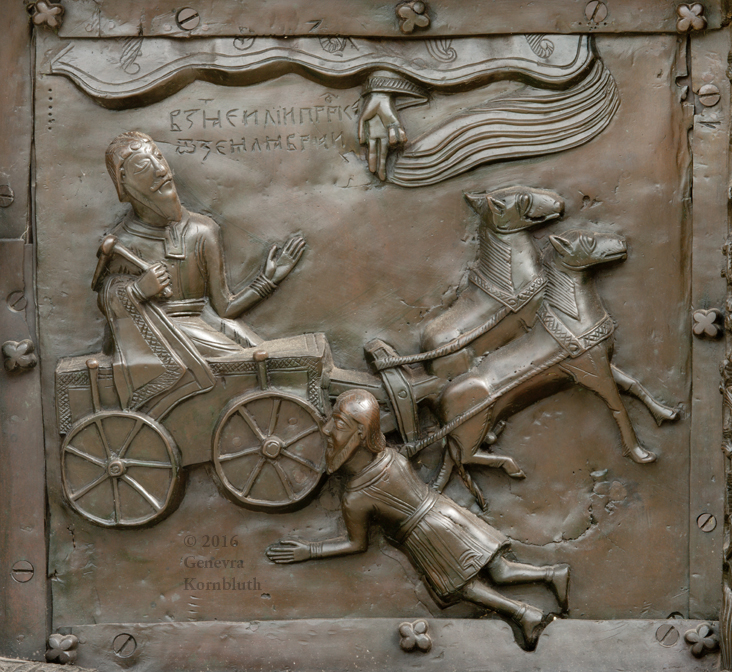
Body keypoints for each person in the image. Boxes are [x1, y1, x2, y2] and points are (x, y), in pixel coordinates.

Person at [266, 389, 570, 650]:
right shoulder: (392, 457)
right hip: (447, 513)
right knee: (499, 569)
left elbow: (356, 544)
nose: (327, 430)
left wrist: (310, 551)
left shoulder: (356, 497)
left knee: (461, 588)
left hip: (424, 536)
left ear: (360, 434)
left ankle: (524, 613)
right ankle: (551, 574)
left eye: (339, 423)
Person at [98, 131, 305, 411]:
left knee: (266, 356)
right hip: (160, 332)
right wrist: (137, 291)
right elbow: (107, 301)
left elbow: (225, 308)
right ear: (125, 185)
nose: (161, 169)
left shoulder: (203, 230)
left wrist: (267, 281)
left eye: (159, 157)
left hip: (205, 322)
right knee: (244, 362)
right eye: (144, 166)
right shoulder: (123, 242)